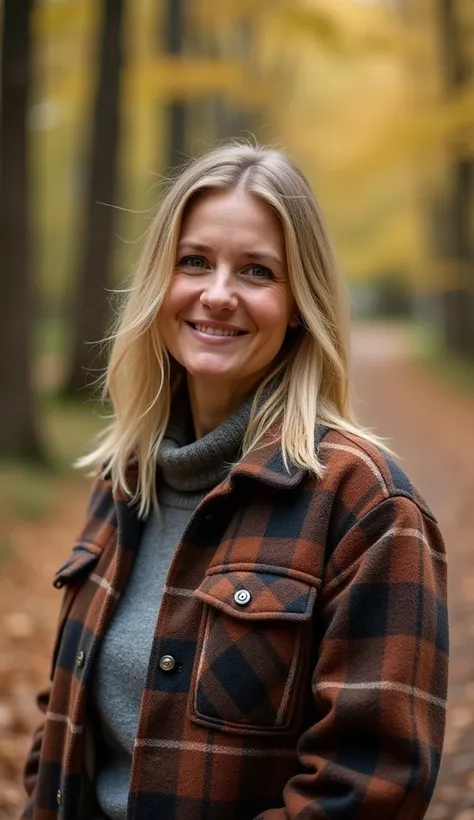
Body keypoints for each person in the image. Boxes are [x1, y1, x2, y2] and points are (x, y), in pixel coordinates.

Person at [22, 143, 448, 820]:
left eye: (256, 271)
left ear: (300, 303)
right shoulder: (127, 477)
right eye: (194, 262)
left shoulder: (366, 507)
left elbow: (370, 789)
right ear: (160, 284)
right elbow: (65, 720)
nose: (217, 295)